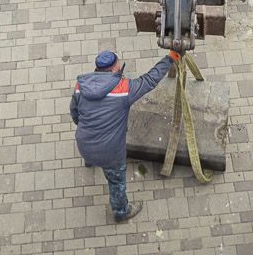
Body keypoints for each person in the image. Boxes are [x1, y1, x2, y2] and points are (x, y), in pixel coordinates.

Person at [70, 49, 178, 222]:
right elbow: (150, 80)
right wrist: (170, 58)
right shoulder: (124, 89)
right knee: (116, 182)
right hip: (110, 153)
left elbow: (74, 113)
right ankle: (121, 212)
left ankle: (90, 162)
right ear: (114, 70)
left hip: (84, 145)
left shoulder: (80, 86)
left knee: (93, 153)